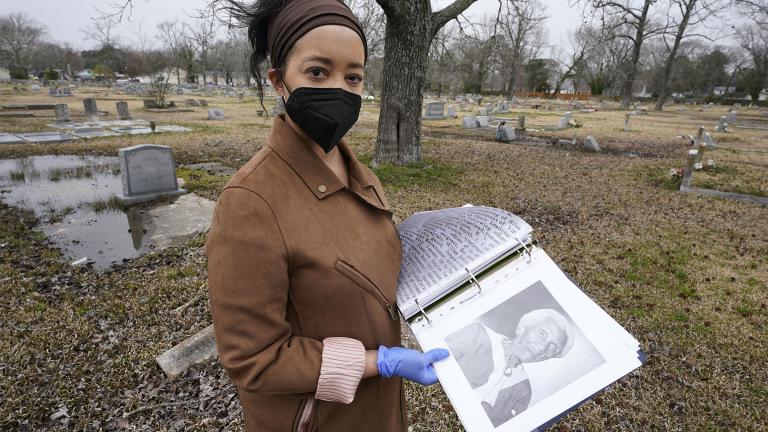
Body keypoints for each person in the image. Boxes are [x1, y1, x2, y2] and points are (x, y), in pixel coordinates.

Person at [205, 1, 450, 431]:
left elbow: (369, 278)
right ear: (280, 81)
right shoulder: (250, 201)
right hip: (318, 420)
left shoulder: (364, 175)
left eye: (352, 76)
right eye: (318, 72)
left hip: (379, 413)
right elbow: (253, 359)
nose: (339, 88)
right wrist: (380, 362)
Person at [445, 309, 574, 427]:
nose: (541, 348)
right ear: (522, 328)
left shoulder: (524, 390)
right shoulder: (477, 334)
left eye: (553, 347)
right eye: (541, 333)